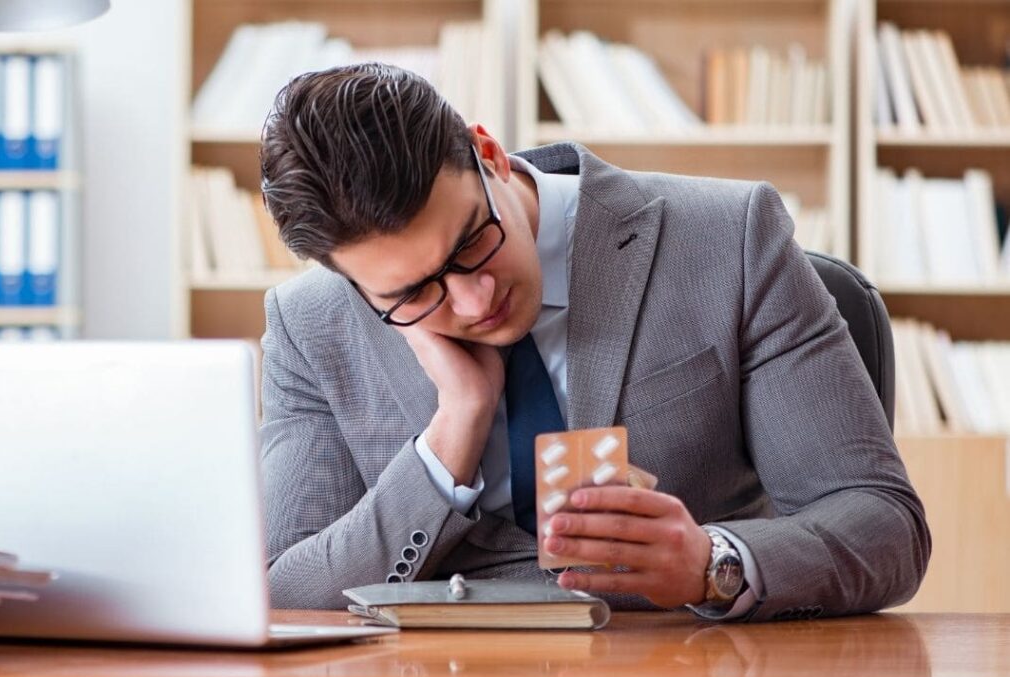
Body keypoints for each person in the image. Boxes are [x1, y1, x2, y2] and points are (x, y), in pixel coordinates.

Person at [256, 63, 929, 620]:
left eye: (471, 242)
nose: (474, 300)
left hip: (685, 671)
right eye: (412, 292)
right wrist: (452, 431)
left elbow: (885, 525)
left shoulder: (730, 239)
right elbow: (284, 589)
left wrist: (711, 563)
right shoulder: (309, 324)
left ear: (489, 154)